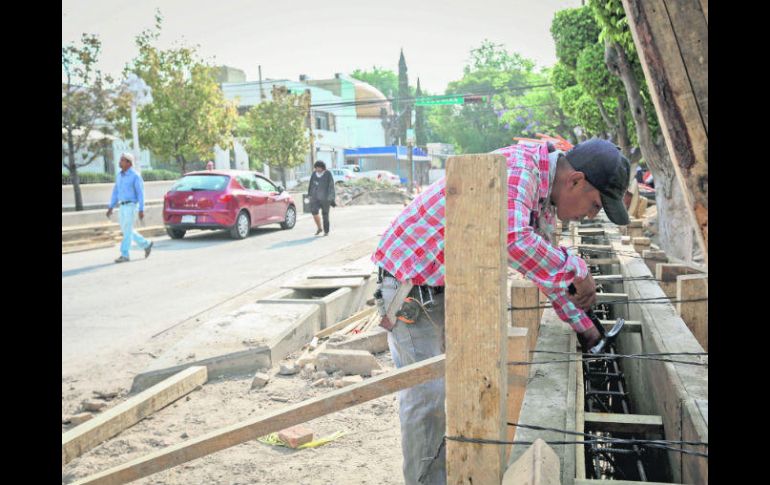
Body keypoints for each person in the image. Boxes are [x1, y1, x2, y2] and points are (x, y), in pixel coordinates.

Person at [371, 138, 630, 485]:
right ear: (575, 181)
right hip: (410, 288)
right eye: (595, 205)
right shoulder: (519, 170)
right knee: (428, 400)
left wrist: (589, 331)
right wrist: (577, 268)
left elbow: (545, 270)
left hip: (449, 286)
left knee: (467, 383)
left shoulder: (543, 196)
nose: (590, 215)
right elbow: (514, 239)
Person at [106, 153, 153, 263]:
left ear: (129, 163)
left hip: (131, 206)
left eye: (122, 160)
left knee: (127, 231)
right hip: (122, 206)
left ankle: (124, 254)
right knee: (127, 230)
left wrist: (141, 209)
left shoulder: (135, 176)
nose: (120, 162)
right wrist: (111, 207)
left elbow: (141, 194)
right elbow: (115, 192)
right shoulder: (119, 176)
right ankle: (146, 244)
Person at [307, 161, 335, 236]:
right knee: (314, 212)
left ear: (322, 167)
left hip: (325, 198)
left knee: (325, 215)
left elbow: (331, 186)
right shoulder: (314, 174)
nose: (317, 169)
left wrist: (331, 198)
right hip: (315, 198)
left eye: (319, 167)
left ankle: (326, 231)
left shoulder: (328, 174)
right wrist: (309, 194)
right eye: (316, 168)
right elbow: (311, 184)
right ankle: (319, 228)